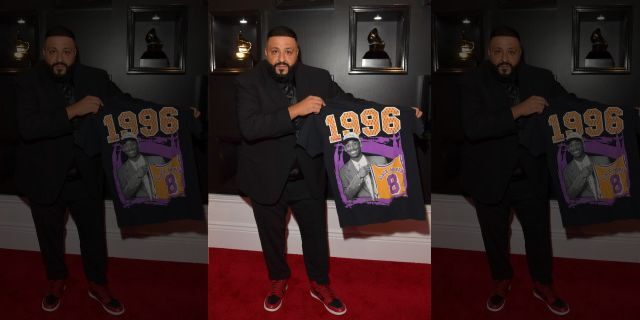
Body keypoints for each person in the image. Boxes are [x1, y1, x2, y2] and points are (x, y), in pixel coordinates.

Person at [235, 26, 347, 315]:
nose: (281, 57)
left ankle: (319, 284)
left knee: (316, 236)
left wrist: (399, 113)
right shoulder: (249, 82)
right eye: (274, 51)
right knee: (271, 236)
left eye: (288, 51)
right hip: (265, 175)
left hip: (307, 174)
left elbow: (348, 106)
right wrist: (296, 109)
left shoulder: (319, 77)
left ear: (297, 52)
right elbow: (250, 127)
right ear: (266, 53)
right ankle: (278, 279)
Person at [459, 26, 570, 316]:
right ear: (488, 53)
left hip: (531, 175)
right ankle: (501, 280)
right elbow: (473, 128)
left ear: (521, 53)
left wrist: (620, 113)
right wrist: (518, 110)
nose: (504, 57)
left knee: (539, 235)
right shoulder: (472, 81)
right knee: (494, 236)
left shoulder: (542, 78)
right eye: (497, 51)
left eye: (511, 51)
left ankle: (542, 284)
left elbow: (570, 107)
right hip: (488, 175)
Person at [15, 26, 125, 316]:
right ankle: (56, 281)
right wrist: (72, 110)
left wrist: (177, 113)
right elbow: (28, 128)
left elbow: (125, 105)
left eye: (66, 51)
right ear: (43, 53)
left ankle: (97, 284)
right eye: (52, 51)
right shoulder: (27, 82)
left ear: (75, 53)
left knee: (94, 236)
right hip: (44, 176)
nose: (59, 57)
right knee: (49, 236)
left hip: (86, 175)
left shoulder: (96, 78)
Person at [339, 132, 388, 200]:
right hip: (364, 208)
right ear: (345, 149)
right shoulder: (343, 171)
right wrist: (359, 176)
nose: (352, 148)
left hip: (385, 204)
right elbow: (347, 196)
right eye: (348, 145)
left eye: (354, 143)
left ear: (360, 144)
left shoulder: (380, 160)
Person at [117, 132, 165, 200]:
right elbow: (126, 195)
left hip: (164, 204)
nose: (130, 148)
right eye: (126, 146)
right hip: (142, 207)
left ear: (138, 144)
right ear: (122, 149)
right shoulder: (121, 171)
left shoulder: (158, 160)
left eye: (132, 144)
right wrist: (138, 176)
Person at [562, 131, 610, 200]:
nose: (574, 148)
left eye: (577, 144)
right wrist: (582, 176)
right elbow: (570, 195)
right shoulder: (566, 171)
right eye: (571, 146)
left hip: (609, 204)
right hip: (587, 208)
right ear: (568, 149)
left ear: (583, 144)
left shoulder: (603, 160)